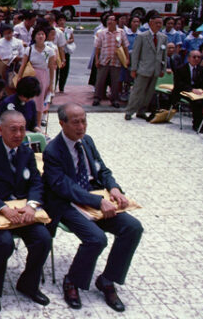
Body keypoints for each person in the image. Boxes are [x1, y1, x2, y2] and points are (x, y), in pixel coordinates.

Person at [43, 103, 143, 312]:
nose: (81, 127)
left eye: (84, 121)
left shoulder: (87, 142)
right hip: (68, 203)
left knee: (133, 228)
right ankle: (72, 281)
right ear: (62, 123)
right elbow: (63, 186)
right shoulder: (53, 150)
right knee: (96, 239)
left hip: (96, 197)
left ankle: (107, 280)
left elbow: (102, 170)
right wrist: (97, 202)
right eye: (76, 122)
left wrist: (114, 188)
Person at [0, 111, 51, 311]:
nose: (19, 134)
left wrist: (32, 205)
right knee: (4, 243)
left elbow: (36, 181)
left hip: (22, 210)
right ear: (1, 130)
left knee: (43, 239)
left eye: (22, 129)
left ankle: (28, 284)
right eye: (13, 129)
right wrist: (3, 208)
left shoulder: (26, 152)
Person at [124, 15, 168, 120]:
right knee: (137, 92)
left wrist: (163, 69)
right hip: (143, 69)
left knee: (149, 93)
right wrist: (133, 69)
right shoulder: (142, 36)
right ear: (151, 23)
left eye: (160, 23)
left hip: (156, 69)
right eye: (156, 23)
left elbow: (164, 54)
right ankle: (130, 111)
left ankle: (142, 111)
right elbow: (135, 54)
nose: (158, 25)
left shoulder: (163, 37)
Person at [16, 26, 57, 128]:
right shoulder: (29, 49)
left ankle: (37, 124)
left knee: (40, 101)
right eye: (38, 34)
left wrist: (51, 83)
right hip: (30, 75)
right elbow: (23, 64)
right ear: (34, 36)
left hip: (43, 76)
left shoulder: (50, 51)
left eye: (42, 34)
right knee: (28, 99)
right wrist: (19, 78)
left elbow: (51, 68)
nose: (40, 36)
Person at [93, 14, 130, 108]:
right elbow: (97, 48)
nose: (110, 21)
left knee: (115, 81)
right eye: (108, 19)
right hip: (103, 60)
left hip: (116, 60)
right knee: (100, 80)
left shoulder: (121, 32)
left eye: (112, 20)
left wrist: (127, 58)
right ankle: (97, 98)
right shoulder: (101, 33)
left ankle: (114, 99)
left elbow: (125, 46)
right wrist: (97, 59)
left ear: (116, 22)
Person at [170, 50, 203, 131]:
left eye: (199, 57)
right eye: (194, 57)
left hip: (197, 92)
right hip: (182, 91)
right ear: (188, 58)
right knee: (197, 103)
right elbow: (178, 84)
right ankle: (197, 125)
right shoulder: (180, 69)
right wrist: (191, 89)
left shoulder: (200, 69)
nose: (196, 59)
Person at [56, 14, 74, 93]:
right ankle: (54, 86)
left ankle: (62, 87)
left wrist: (67, 41)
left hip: (66, 51)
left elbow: (72, 39)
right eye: (60, 20)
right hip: (57, 52)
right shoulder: (55, 30)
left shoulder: (69, 29)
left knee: (65, 70)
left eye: (63, 20)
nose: (62, 22)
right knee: (56, 70)